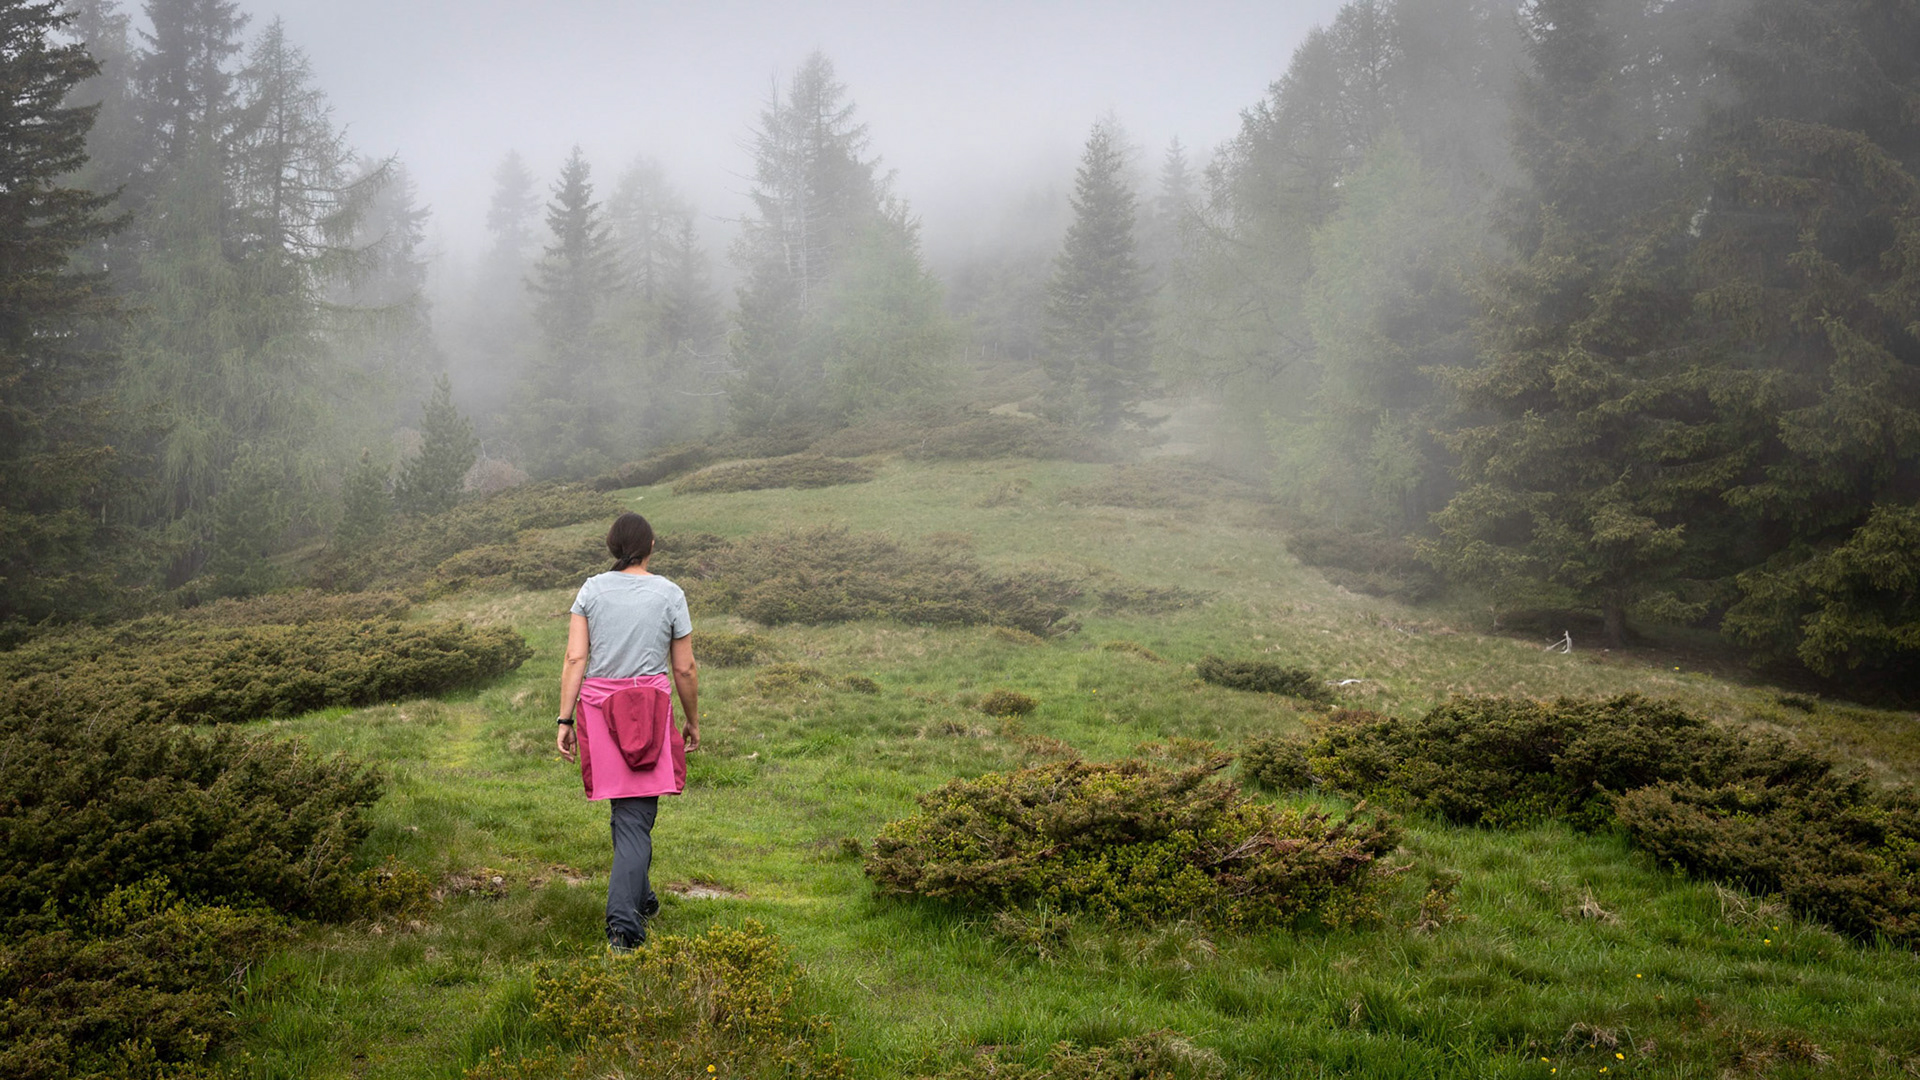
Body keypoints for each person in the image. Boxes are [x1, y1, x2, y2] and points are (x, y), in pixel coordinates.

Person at [556, 511, 700, 950]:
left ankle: (642, 897)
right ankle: (624, 928)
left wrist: (564, 719)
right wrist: (692, 720)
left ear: (612, 547)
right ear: (651, 545)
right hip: (651, 711)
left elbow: (576, 659)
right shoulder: (670, 593)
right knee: (635, 817)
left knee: (628, 814)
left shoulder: (591, 589)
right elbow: (685, 668)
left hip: (600, 713)